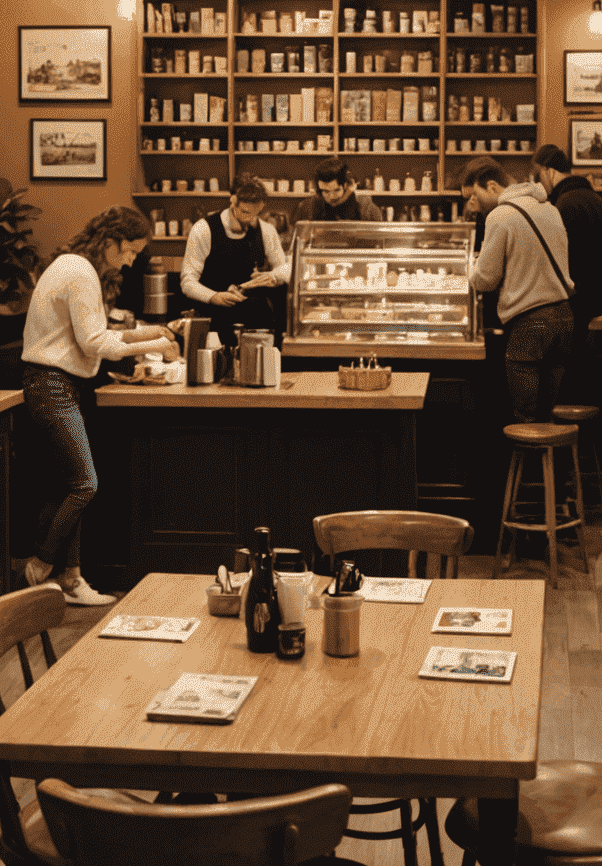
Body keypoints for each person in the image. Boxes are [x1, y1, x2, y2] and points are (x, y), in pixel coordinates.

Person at [22, 206, 176, 605]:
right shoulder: (80, 272)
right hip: (51, 384)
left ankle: (72, 581)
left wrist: (148, 333)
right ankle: (39, 564)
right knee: (85, 484)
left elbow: (94, 333)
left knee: (67, 485)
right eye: (129, 251)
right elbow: (95, 343)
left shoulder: (75, 265)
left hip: (57, 383)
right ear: (112, 241)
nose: (129, 261)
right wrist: (157, 344)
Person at [458, 156, 574, 422]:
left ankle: (528, 464)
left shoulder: (501, 215)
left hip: (530, 323)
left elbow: (486, 279)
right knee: (549, 414)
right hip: (565, 316)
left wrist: (470, 273)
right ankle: (550, 463)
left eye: (473, 196)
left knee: (526, 418)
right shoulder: (550, 209)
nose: (472, 205)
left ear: (492, 186)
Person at [530, 144, 602, 383]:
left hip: (573, 311)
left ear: (547, 170)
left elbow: (559, 265)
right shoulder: (600, 204)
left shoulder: (562, 206)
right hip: (599, 307)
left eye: (539, 176)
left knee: (567, 383)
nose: (539, 184)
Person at [181, 175, 291, 338]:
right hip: (214, 320)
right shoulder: (204, 229)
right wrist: (213, 297)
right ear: (233, 201)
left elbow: (284, 268)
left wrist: (274, 277)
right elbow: (188, 281)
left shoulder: (266, 230)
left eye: (256, 213)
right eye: (245, 212)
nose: (250, 219)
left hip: (256, 320)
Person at [294, 158, 382, 223]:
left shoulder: (366, 207)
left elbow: (378, 239)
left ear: (345, 185)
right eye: (326, 191)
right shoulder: (306, 207)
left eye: (336, 190)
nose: (331, 196)